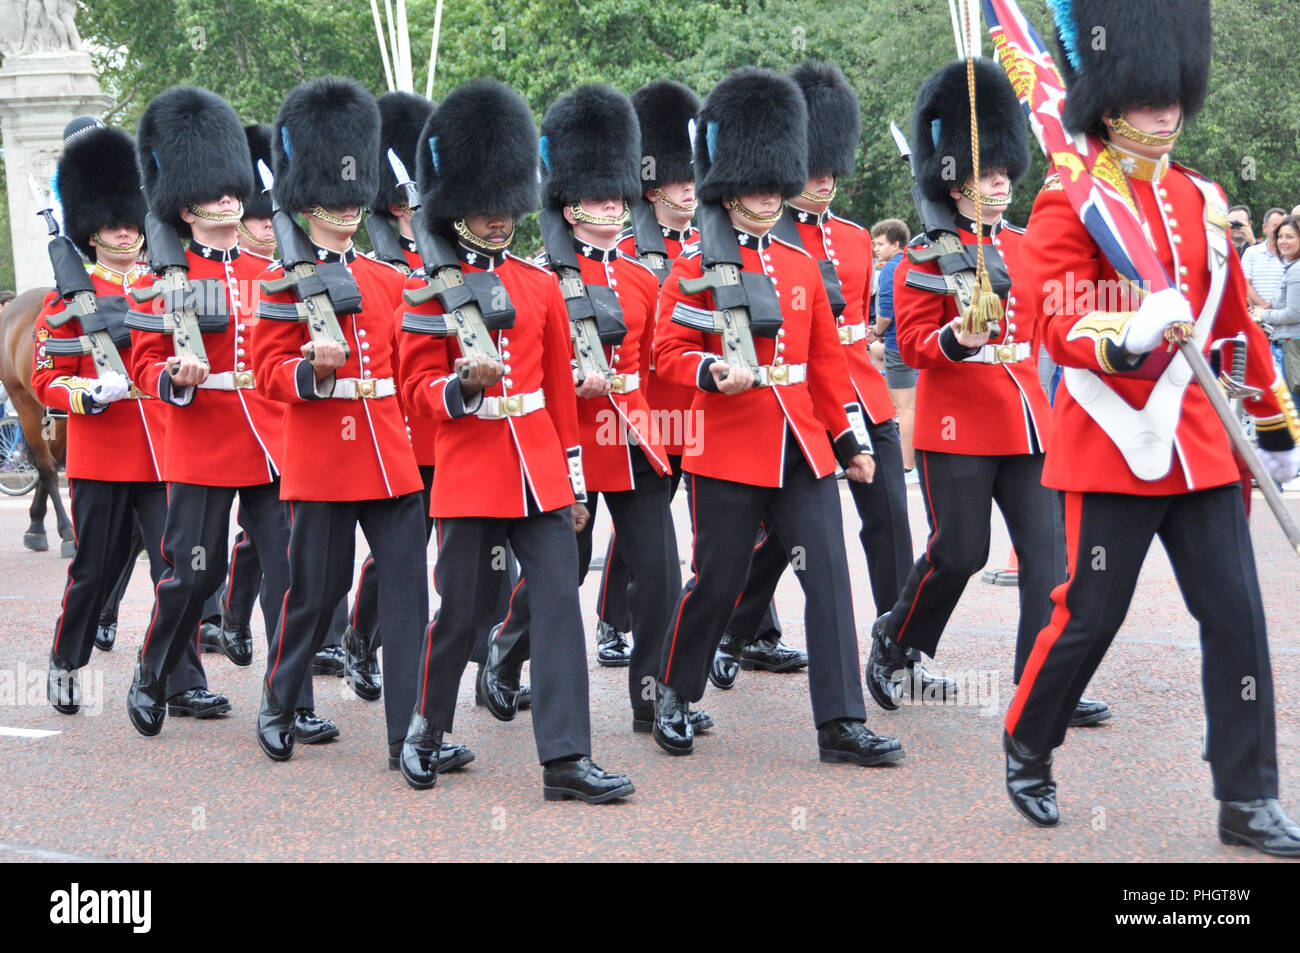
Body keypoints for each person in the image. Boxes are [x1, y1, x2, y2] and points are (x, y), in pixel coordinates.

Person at [1004, 0, 1300, 857]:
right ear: (1107, 101)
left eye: (1172, 91)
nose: (1164, 106)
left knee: (1238, 618)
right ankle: (1028, 736)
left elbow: (1238, 330)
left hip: (1204, 446)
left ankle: (1246, 796)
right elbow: (1055, 317)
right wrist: (1127, 324)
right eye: (1145, 93)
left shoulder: (1202, 197)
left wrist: (1278, 441)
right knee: (1091, 615)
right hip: (1115, 439)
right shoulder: (1072, 199)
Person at [652, 66, 899, 765]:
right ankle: (674, 689)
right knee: (718, 579)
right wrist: (708, 371)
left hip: (804, 446)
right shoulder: (697, 262)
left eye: (773, 182)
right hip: (729, 445)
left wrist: (849, 438)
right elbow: (667, 350)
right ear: (729, 184)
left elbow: (825, 365)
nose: (766, 194)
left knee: (828, 574)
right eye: (754, 183)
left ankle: (840, 723)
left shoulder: (798, 264)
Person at [397, 79, 633, 801]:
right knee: (463, 612)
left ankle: (565, 759)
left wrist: (574, 479)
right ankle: (427, 728)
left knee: (559, 602)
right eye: (484, 208)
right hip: (471, 469)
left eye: (506, 208)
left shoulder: (536, 286)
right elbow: (415, 396)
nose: (499, 221)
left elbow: (560, 393)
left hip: (539, 468)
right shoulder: (426, 290)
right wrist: (464, 387)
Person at [865, 59, 1109, 726]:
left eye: (1005, 171)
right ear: (957, 181)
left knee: (1048, 558)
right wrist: (958, 338)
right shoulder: (922, 258)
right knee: (960, 552)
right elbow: (913, 344)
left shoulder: (1029, 247)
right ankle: (897, 636)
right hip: (958, 424)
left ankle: (1044, 683)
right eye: (987, 172)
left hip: (1028, 422)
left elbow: (1059, 322)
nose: (1000, 181)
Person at [250, 76, 453, 770]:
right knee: (315, 597)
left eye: (351, 194)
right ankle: (280, 702)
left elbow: (411, 364)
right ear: (305, 203)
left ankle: (409, 737)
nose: (343, 206)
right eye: (330, 197)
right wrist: (314, 372)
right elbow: (266, 371)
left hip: (390, 458)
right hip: (324, 461)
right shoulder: (282, 281)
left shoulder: (388, 278)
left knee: (406, 598)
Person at [479, 84, 689, 737]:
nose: (613, 206)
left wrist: (678, 437)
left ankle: (652, 698)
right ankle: (505, 656)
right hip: (570, 444)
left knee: (658, 578)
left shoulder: (641, 277)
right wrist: (575, 378)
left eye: (617, 196)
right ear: (569, 208)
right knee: (561, 575)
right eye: (599, 198)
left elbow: (659, 366)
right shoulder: (541, 277)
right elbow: (529, 370)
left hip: (634, 441)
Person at [712, 61, 913, 690]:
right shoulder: (771, 241)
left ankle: (897, 649)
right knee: (781, 536)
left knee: (890, 521)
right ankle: (737, 626)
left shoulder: (855, 239)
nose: (823, 181)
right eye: (814, 169)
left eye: (831, 170)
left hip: (863, 391)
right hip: (800, 401)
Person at [127, 86, 292, 736]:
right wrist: (173, 374)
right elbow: (142, 362)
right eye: (217, 191)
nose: (231, 199)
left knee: (287, 573)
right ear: (184, 203)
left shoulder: (270, 271)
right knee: (197, 573)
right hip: (200, 439)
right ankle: (155, 670)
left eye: (235, 189)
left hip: (270, 441)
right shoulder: (158, 279)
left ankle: (289, 700)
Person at [38, 120, 169, 715]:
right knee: (95, 567)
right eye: (112, 221)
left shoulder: (165, 285)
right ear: (91, 230)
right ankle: (67, 660)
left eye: (130, 218)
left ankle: (167, 672)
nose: (124, 229)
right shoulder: (67, 297)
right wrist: (87, 393)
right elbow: (45, 378)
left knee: (177, 566)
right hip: (103, 453)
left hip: (165, 449)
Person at [591, 79, 703, 670]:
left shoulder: (708, 244)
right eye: (682, 182)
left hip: (698, 396)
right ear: (655, 185)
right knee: (643, 506)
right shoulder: (632, 249)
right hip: (647, 399)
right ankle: (614, 616)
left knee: (671, 519)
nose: (691, 190)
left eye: (694, 181)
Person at [871, 218, 918, 473]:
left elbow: (886, 313)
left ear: (895, 243)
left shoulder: (891, 268)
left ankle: (906, 463)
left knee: (906, 407)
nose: (876, 249)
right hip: (916, 339)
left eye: (880, 244)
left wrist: (875, 332)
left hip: (898, 342)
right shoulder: (915, 260)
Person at [1252, 215, 1300, 401]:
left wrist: (1265, 314)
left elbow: (1293, 313)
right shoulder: (1292, 267)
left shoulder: (1296, 270)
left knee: (1292, 412)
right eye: (1280, 236)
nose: (1283, 241)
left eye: (1290, 236)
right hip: (1287, 347)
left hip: (1292, 352)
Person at [1242, 207, 1287, 309]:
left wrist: (1270, 308)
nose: (1280, 230)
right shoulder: (1251, 252)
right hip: (1256, 314)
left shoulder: (1291, 255)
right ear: (1264, 228)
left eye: (1283, 226)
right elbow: (1244, 283)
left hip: (1283, 315)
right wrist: (1263, 306)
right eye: (1276, 226)